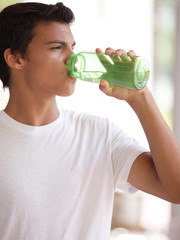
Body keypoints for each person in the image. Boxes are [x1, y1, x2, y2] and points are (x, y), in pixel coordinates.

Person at [0, 2, 179, 240]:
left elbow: (176, 189)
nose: (72, 58)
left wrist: (140, 98)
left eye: (73, 47)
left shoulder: (100, 135)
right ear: (16, 59)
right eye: (57, 47)